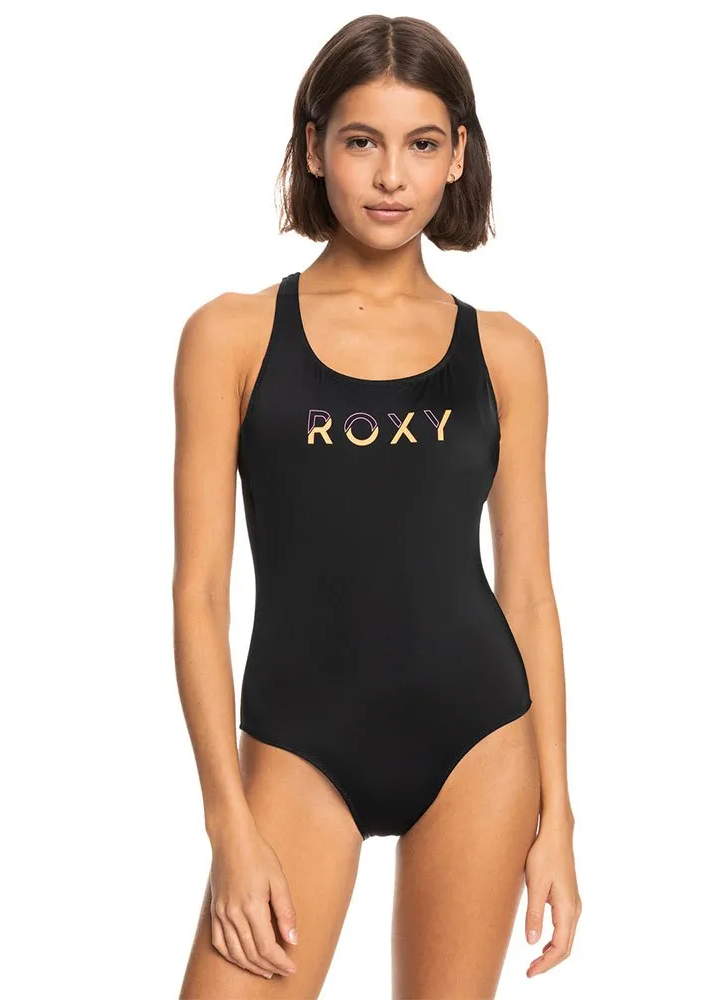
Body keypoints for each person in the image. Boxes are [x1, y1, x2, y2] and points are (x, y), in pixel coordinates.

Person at [173, 14, 580, 999]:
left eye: (422, 144)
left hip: (480, 741)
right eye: (363, 141)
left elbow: (528, 592)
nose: (392, 176)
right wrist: (228, 824)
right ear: (315, 149)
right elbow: (199, 594)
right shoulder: (231, 336)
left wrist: (558, 818)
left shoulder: (506, 353)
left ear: (457, 156)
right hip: (299, 747)